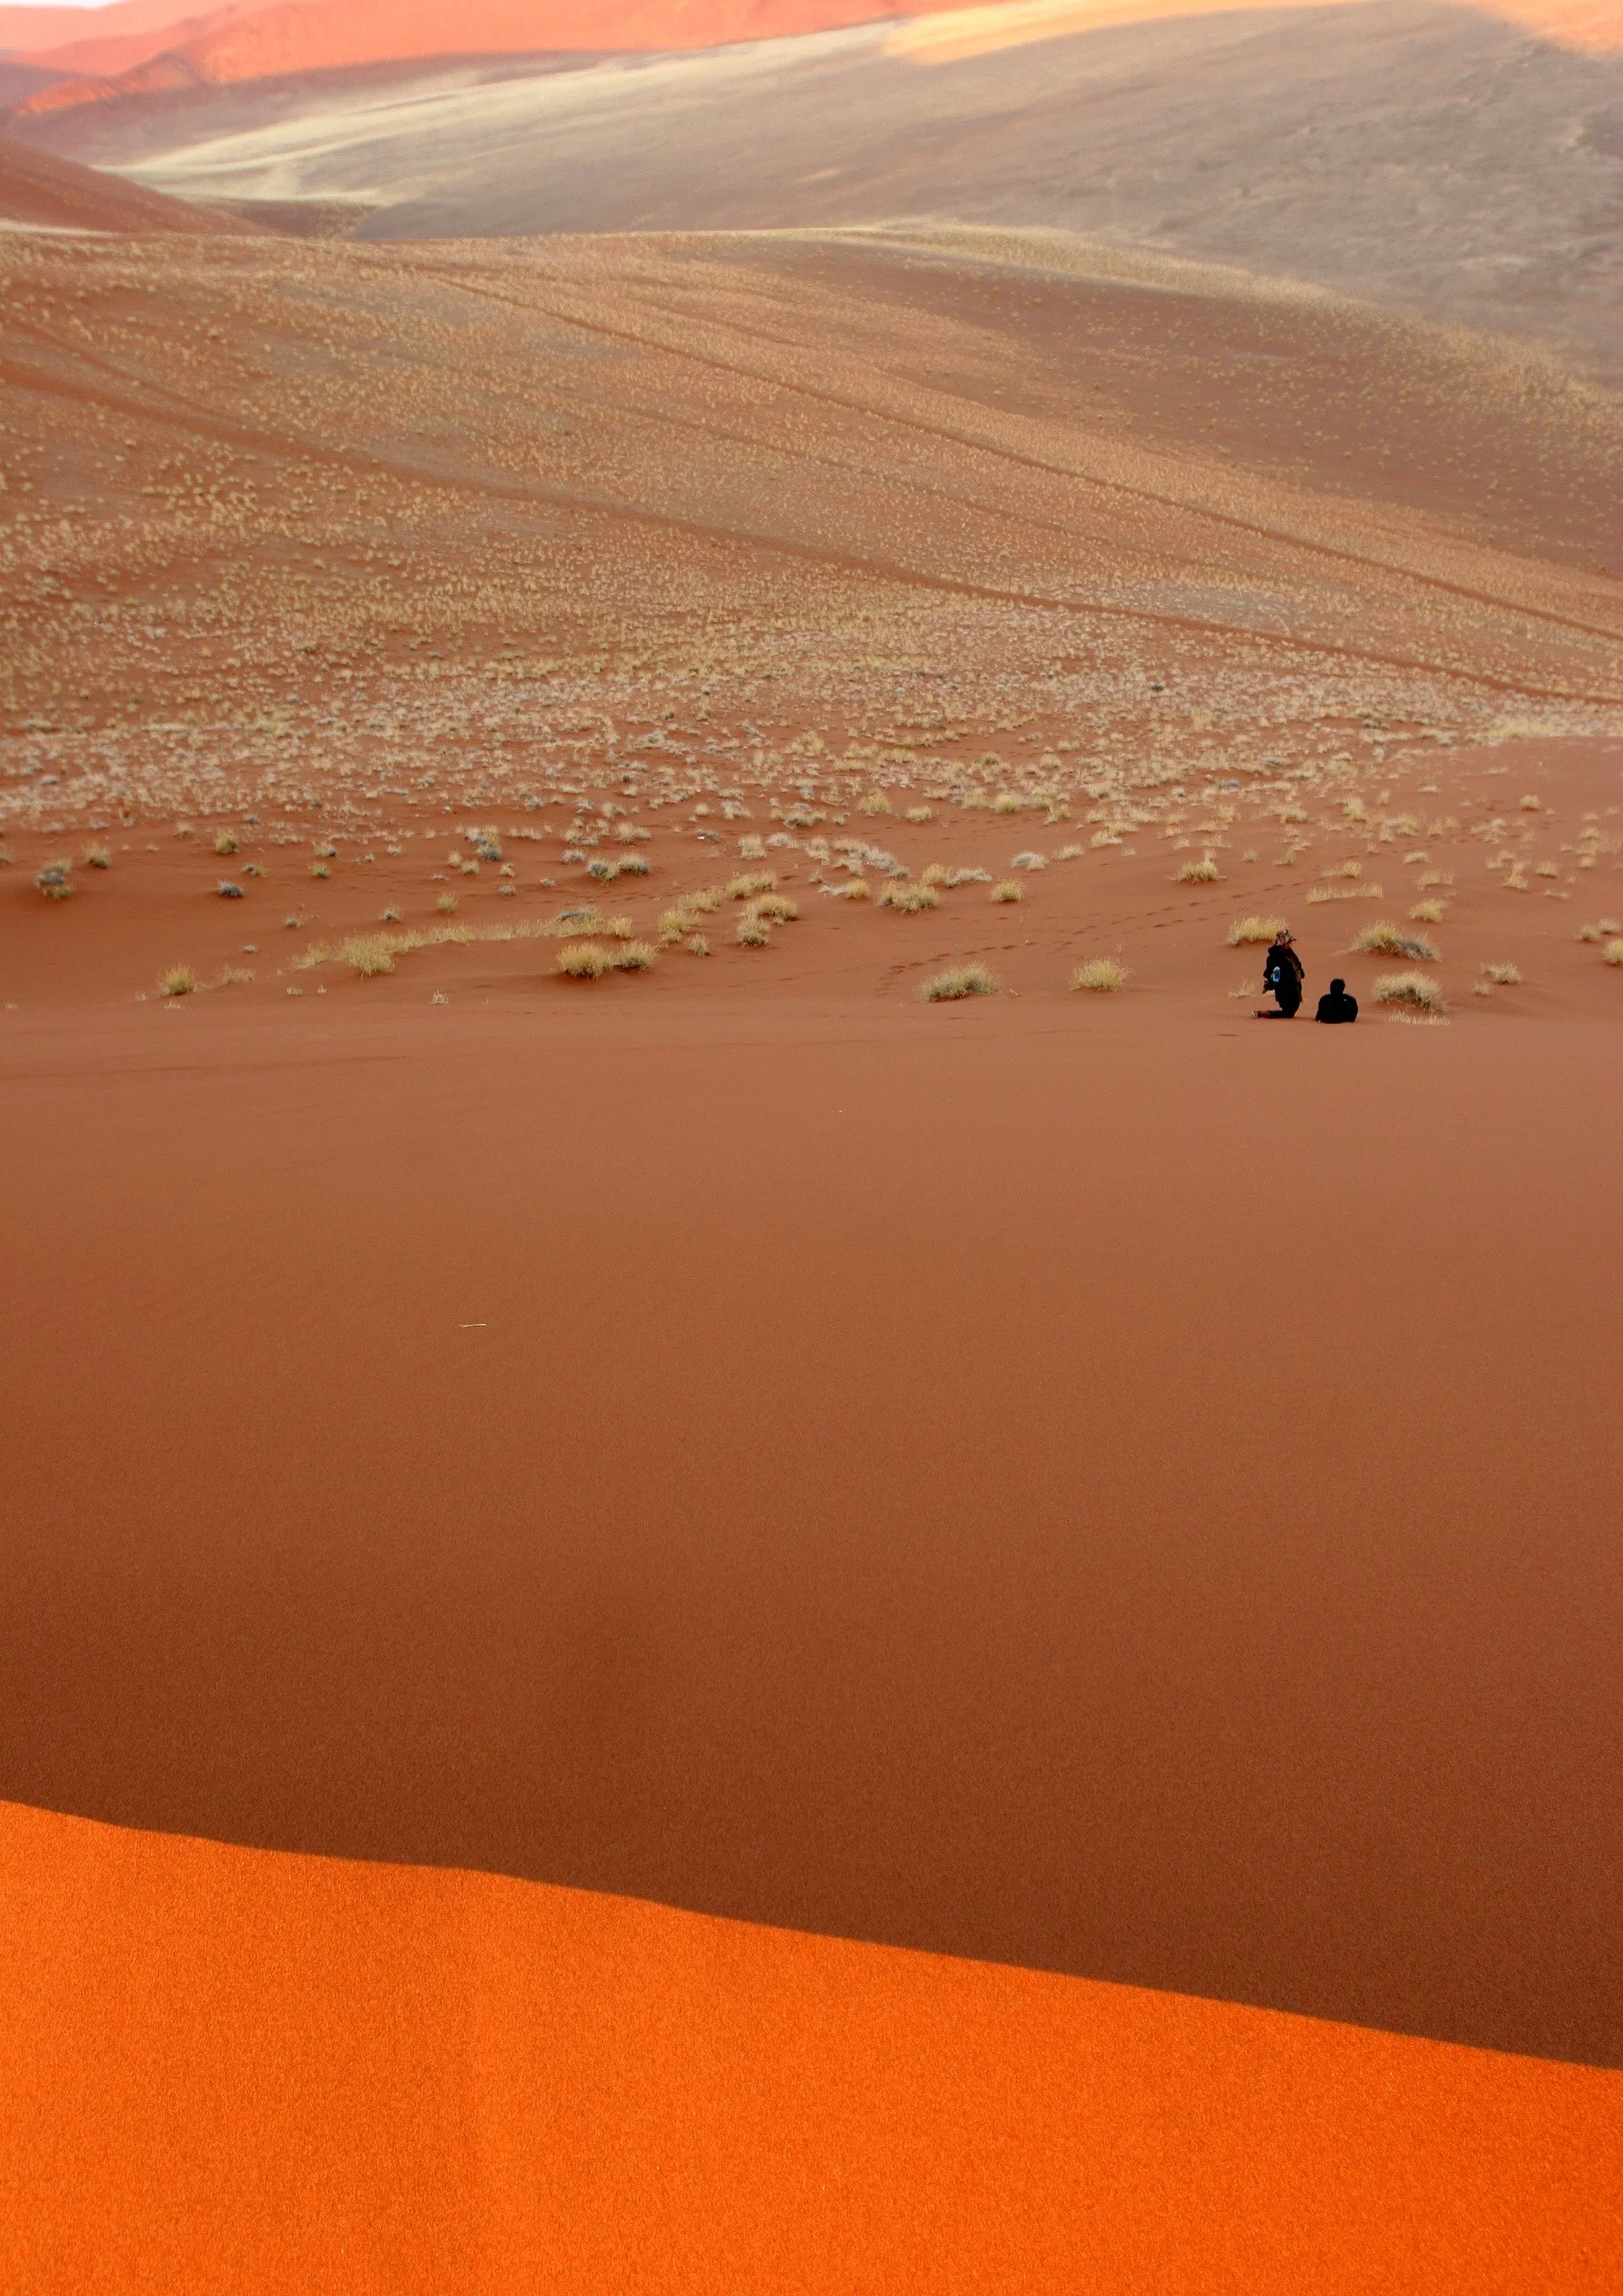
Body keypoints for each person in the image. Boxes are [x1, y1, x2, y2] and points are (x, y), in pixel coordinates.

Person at [1257, 928, 1303, 1019]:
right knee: (1288, 1013)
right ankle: (1265, 1013)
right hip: (1284, 988)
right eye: (1288, 942)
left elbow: (1296, 964)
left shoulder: (1289, 952)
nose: (1290, 944)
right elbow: (1274, 973)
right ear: (1283, 943)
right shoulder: (1274, 957)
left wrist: (1300, 973)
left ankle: (1266, 1013)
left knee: (1293, 1008)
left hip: (1294, 985)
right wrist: (1270, 984)